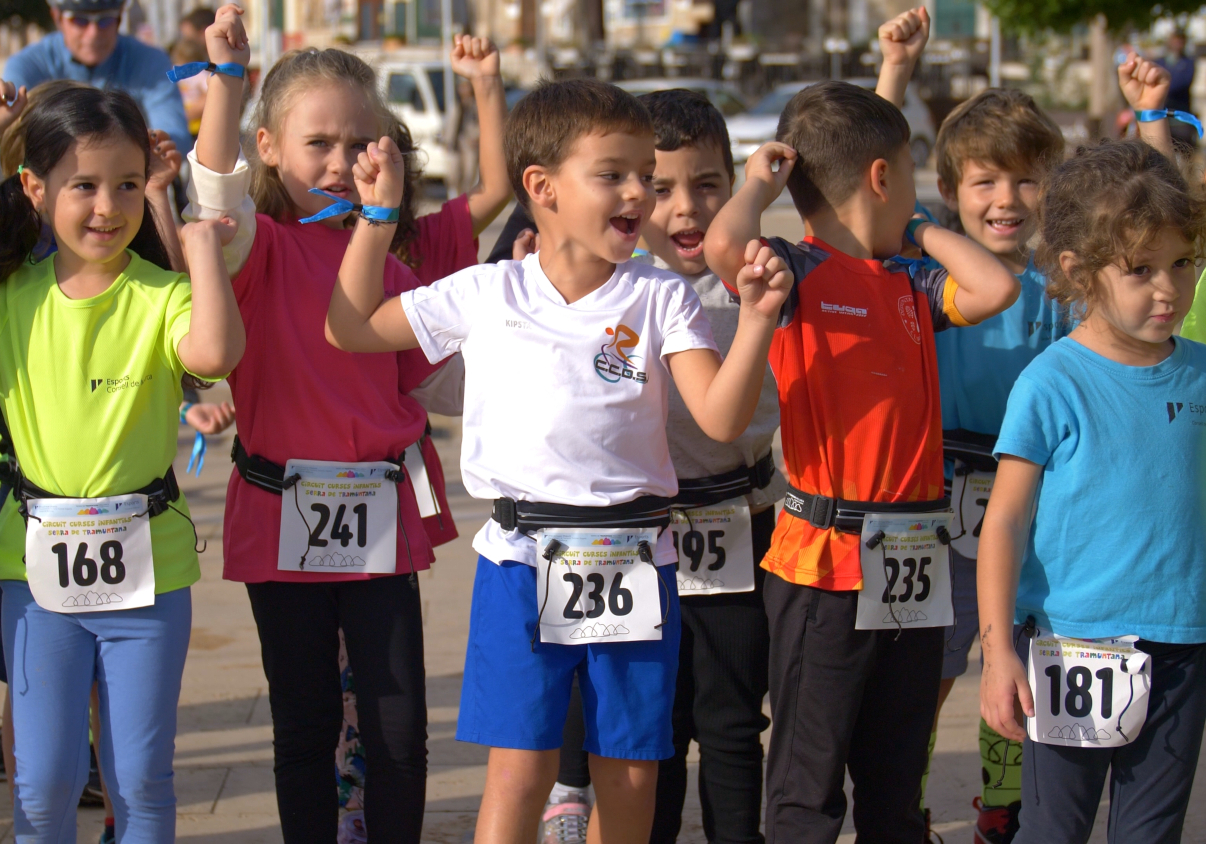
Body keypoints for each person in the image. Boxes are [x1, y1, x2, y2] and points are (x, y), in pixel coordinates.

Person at [324, 76, 793, 844]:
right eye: (613, 174)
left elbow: (720, 414)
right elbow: (350, 327)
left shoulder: (661, 297)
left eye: (643, 172)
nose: (638, 191)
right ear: (540, 187)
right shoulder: (486, 291)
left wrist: (755, 322)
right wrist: (376, 219)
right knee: (521, 771)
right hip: (519, 561)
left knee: (632, 771)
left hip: (638, 559)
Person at [180, 6, 507, 840]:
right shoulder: (252, 248)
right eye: (315, 143)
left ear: (387, 149)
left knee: (399, 729)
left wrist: (485, 91)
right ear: (270, 148)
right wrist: (226, 80)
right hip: (275, 509)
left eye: (357, 141)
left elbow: (492, 203)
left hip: (381, 518)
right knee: (303, 723)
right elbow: (212, 187)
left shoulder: (399, 254)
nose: (337, 160)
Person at [704, 80, 1020, 843]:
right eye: (910, 179)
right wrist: (757, 181)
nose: (918, 204)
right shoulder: (795, 271)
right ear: (882, 176)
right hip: (825, 570)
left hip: (912, 563)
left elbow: (996, 286)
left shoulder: (910, 282)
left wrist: (915, 228)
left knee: (894, 783)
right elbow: (722, 245)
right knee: (807, 790)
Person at [531, 88, 784, 844]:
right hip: (634, 539)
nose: (683, 209)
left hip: (742, 520)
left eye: (707, 185)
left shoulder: (762, 281)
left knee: (735, 721)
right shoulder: (616, 286)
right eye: (661, 186)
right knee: (650, 728)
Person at [0, 84, 243, 840]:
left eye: (128, 184)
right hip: (33, 574)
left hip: (150, 571)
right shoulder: (11, 294)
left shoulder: (163, 295)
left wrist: (201, 252)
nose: (108, 205)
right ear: (36, 189)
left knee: (140, 778)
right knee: (43, 783)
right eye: (83, 185)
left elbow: (214, 353)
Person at [978, 137, 1206, 843]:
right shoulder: (1052, 381)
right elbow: (1006, 522)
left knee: (1150, 832)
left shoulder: (1200, 373)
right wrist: (997, 653)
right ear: (1076, 270)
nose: (1168, 288)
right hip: (1073, 646)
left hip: (1183, 645)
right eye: (1140, 269)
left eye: (1183, 263)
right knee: (1055, 830)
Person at [3, 0, 192, 153]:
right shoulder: (26, 64)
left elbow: (175, 137)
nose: (93, 34)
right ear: (57, 18)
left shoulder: (150, 59)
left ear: (119, 19)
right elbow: (9, 141)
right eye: (79, 20)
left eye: (105, 20)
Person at [1159, 29, 1197, 151]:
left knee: (1184, 153)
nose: (1177, 44)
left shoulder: (1188, 63)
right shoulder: (1160, 62)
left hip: (1181, 118)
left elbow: (1182, 83)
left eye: (1180, 41)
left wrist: (1161, 85)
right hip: (1162, 116)